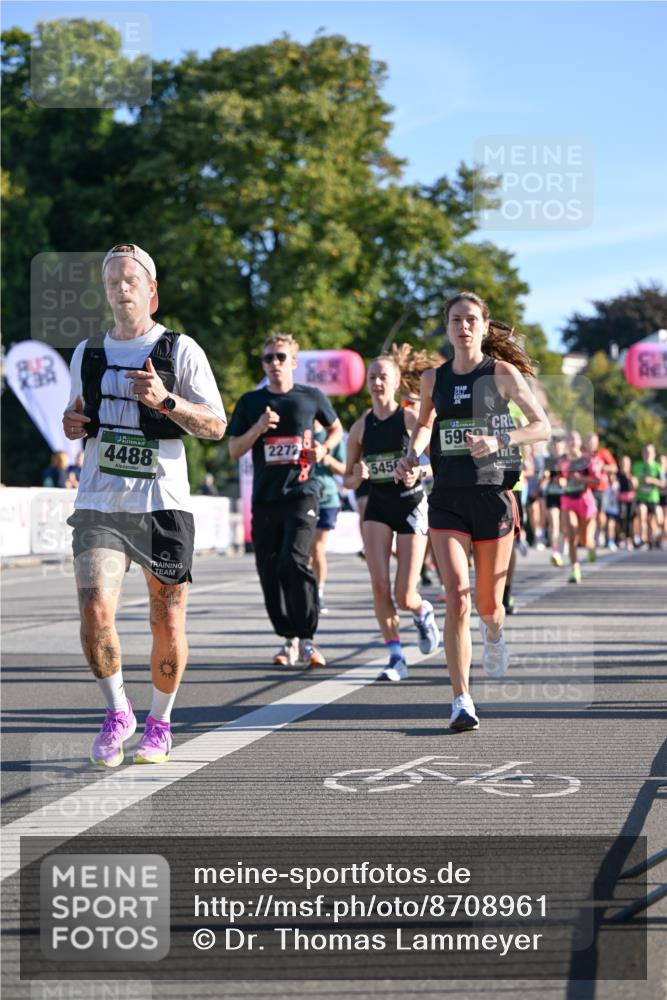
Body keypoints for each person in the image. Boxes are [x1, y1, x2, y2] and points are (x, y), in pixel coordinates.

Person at [62, 243, 227, 767]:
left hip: (162, 504)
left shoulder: (181, 350)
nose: (121, 287)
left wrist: (166, 400)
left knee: (167, 622)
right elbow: (77, 419)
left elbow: (217, 427)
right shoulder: (87, 352)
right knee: (93, 609)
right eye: (112, 280)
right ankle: (118, 712)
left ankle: (160, 722)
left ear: (152, 290)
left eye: (131, 278)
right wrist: (72, 425)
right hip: (100, 500)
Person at [396, 291, 550, 731]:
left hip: (492, 496)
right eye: (455, 320)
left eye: (470, 320)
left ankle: (495, 632)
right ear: (447, 328)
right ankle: (461, 699)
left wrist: (499, 441)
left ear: (484, 326)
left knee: (488, 606)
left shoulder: (500, 373)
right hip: (446, 498)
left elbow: (541, 426)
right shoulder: (433, 379)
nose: (462, 327)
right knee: (457, 598)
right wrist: (412, 454)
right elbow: (425, 424)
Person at [227, 333, 343, 667]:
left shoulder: (310, 397)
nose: (274, 364)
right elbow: (235, 449)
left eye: (280, 357)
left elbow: (335, 429)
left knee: (292, 562)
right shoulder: (251, 402)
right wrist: (259, 428)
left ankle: (307, 638)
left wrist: (324, 448)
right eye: (268, 359)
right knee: (269, 570)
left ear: (293, 362)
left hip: (302, 494)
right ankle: (288, 639)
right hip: (265, 499)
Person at [344, 354, 439, 681]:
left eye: (383, 376)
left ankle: (422, 610)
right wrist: (359, 474)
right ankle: (396, 655)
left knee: (404, 594)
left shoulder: (410, 419)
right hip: (378, 507)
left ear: (396, 382)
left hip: (411, 503)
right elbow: (348, 479)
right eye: (372, 377)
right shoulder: (360, 427)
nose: (377, 382)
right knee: (380, 587)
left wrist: (419, 471)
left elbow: (435, 462)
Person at [310, 419, 347, 614]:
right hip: (303, 498)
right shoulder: (300, 433)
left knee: (317, 547)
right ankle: (306, 592)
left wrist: (328, 459)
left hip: (327, 500)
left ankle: (319, 594)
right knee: (304, 552)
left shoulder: (332, 437)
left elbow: (345, 469)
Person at [558, 430, 601, 583]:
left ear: (579, 442)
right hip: (568, 500)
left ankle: (591, 547)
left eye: (575, 440)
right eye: (569, 439)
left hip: (584, 500)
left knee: (585, 539)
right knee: (571, 535)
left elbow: (597, 481)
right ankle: (575, 569)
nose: (572, 442)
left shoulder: (587, 460)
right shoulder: (561, 461)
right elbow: (559, 478)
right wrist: (560, 481)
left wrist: (581, 479)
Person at [584, 432, 617, 549]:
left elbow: (614, 467)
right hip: (587, 489)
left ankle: (600, 531)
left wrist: (603, 467)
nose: (591, 443)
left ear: (597, 442)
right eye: (589, 441)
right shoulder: (583, 454)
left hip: (601, 488)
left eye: (593, 441)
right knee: (590, 513)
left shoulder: (603, 453)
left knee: (600, 514)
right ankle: (589, 536)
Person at [632, 443, 663, 548]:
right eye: (645, 452)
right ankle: (642, 538)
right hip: (641, 497)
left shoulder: (658, 467)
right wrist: (633, 482)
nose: (647, 454)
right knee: (642, 511)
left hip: (653, 498)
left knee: (652, 522)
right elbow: (633, 480)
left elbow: (664, 483)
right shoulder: (637, 466)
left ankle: (651, 541)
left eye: (649, 452)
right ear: (642, 453)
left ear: (654, 454)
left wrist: (652, 480)